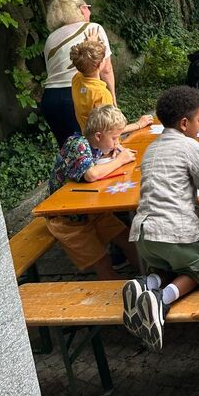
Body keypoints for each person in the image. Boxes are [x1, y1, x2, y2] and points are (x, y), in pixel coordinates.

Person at [122, 87, 199, 351]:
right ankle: (161, 300)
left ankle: (146, 283)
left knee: (169, 266)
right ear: (185, 124)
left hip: (144, 236)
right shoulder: (189, 145)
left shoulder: (151, 149)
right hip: (174, 233)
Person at [46, 105, 139, 279]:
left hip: (90, 210)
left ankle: (146, 277)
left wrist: (113, 152)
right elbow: (91, 174)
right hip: (66, 218)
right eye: (115, 138)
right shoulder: (77, 144)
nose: (117, 142)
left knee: (128, 241)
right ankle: (119, 290)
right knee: (103, 262)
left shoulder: (96, 145)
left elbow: (98, 162)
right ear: (98, 136)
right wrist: (119, 160)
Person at [41, 0, 116, 146]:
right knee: (97, 147)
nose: (90, 12)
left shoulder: (50, 38)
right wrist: (113, 101)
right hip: (79, 95)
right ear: (82, 9)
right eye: (88, 8)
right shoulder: (93, 28)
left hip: (50, 99)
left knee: (70, 151)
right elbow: (106, 69)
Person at [69, 39, 153, 133]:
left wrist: (89, 46)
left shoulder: (76, 79)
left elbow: (84, 61)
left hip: (87, 138)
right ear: (100, 65)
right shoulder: (102, 94)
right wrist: (139, 124)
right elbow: (111, 130)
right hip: (103, 141)